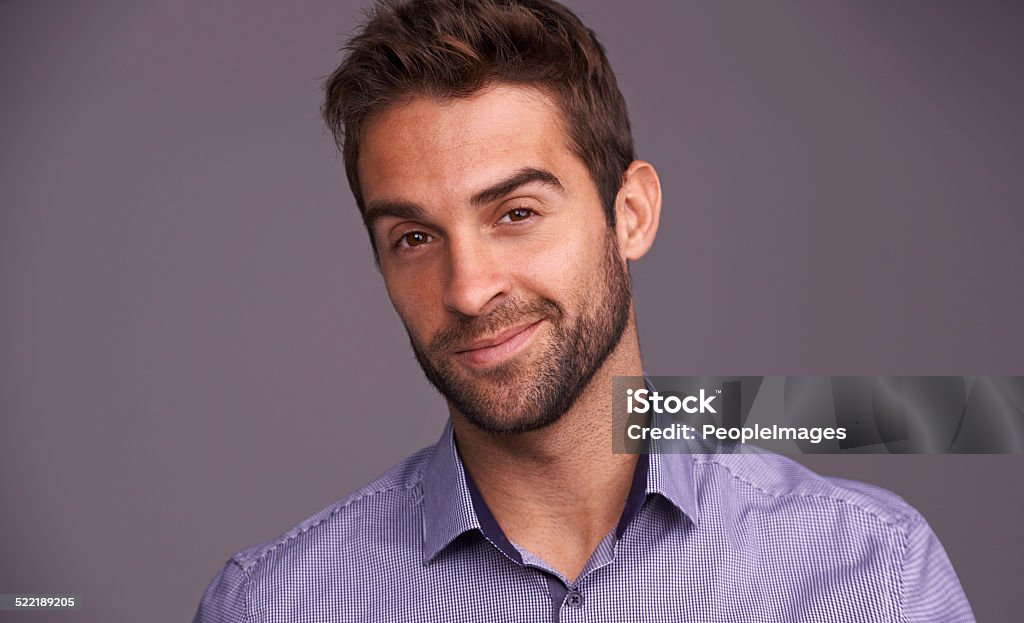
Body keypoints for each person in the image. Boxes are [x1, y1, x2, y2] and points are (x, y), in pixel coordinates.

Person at [194, 1, 975, 620]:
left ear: (629, 213)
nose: (468, 288)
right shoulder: (274, 604)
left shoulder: (875, 577)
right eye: (415, 236)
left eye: (517, 213)